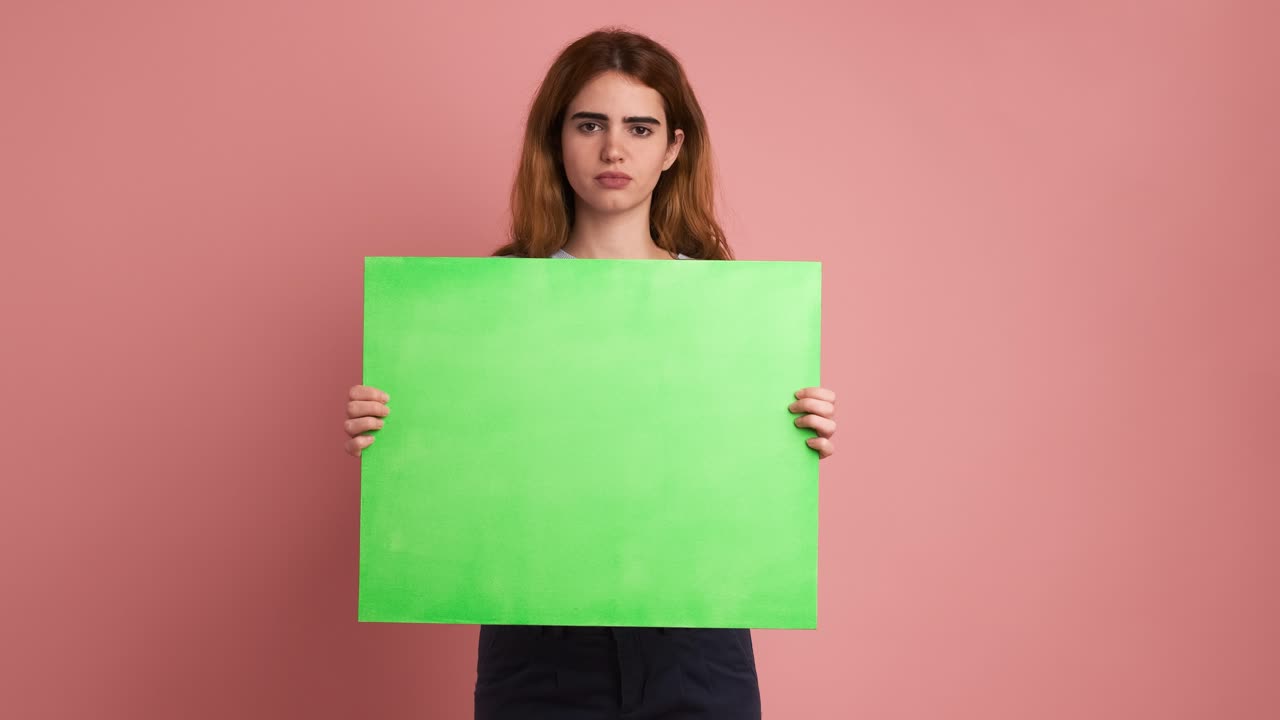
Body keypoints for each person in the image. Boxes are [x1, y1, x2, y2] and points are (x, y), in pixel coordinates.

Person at [343, 27, 838, 720]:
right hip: (538, 647)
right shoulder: (484, 306)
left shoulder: (729, 306)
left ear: (672, 148)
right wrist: (394, 430)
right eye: (589, 125)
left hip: (695, 641)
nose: (614, 149)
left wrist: (796, 433)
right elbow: (465, 470)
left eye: (640, 127)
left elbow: (733, 478)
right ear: (556, 140)